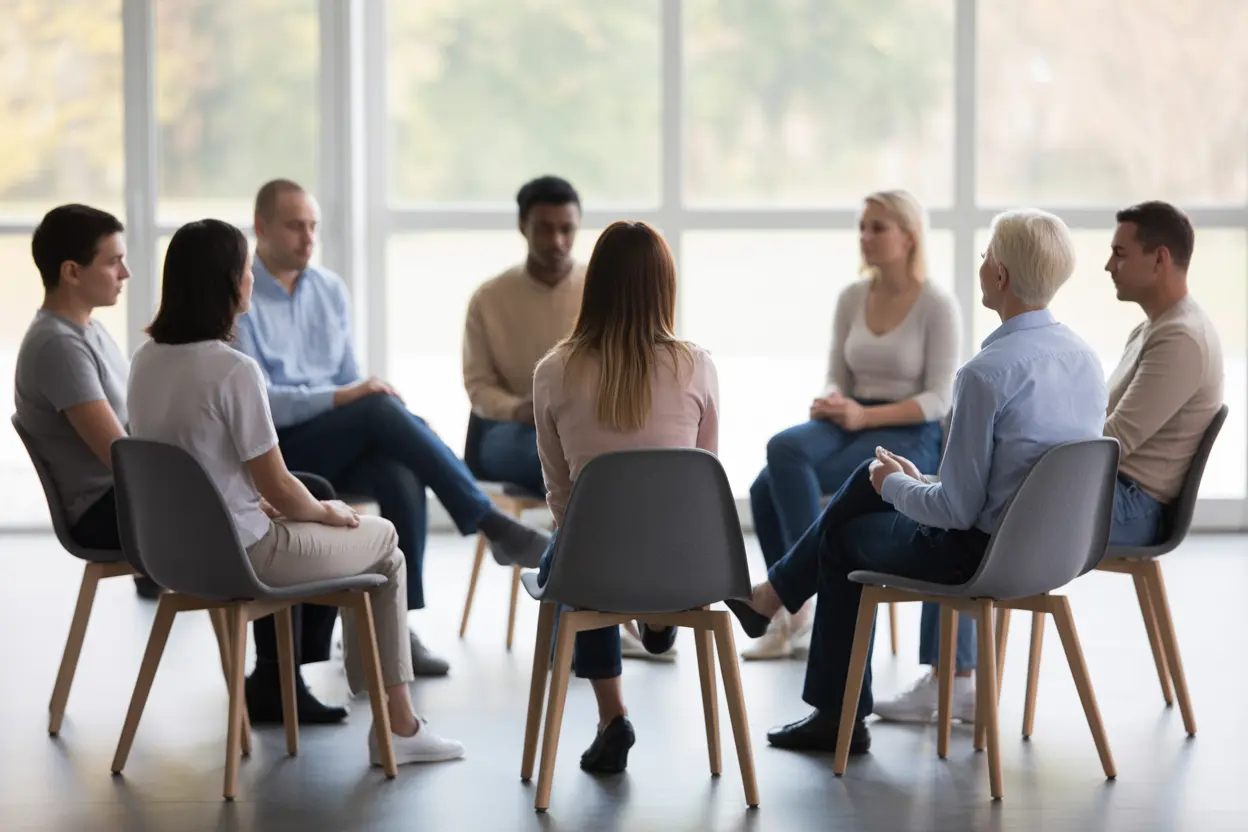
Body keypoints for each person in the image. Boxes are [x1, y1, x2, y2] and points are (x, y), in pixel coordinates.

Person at [725, 209, 1107, 754]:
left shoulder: (986, 373)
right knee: (868, 477)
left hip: (976, 554)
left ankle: (834, 711)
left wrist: (897, 488)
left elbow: (955, 512)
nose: (980, 265)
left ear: (999, 276)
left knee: (843, 536)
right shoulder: (1085, 359)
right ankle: (772, 598)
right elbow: (1013, 478)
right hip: (1057, 553)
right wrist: (909, 481)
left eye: (985, 256)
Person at [127, 218, 464, 765]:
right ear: (229, 283)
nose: (252, 280)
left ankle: (387, 721)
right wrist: (325, 513)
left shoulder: (144, 361)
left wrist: (269, 503)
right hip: (245, 556)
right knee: (386, 544)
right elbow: (280, 486)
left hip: (172, 555)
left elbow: (192, 465)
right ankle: (397, 728)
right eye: (245, 270)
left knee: (358, 536)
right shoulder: (233, 370)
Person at [875, 201, 1225, 725]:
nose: (1107, 265)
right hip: (1105, 488)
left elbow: (1109, 440)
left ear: (1160, 260)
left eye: (1120, 253)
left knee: (969, 511)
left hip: (1129, 501)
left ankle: (955, 678)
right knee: (970, 489)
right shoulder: (1152, 328)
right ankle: (955, 677)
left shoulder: (1180, 338)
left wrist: (1018, 459)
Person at [235, 179, 550, 678]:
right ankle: (489, 522)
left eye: (313, 226)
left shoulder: (329, 290)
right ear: (261, 227)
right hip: (280, 450)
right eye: (295, 226)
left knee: (399, 470)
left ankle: (395, 628)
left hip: (337, 434)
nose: (307, 237)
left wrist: (350, 398)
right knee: (379, 408)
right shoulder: (243, 291)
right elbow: (263, 402)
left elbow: (346, 378)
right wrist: (348, 399)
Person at [531, 221, 719, 774]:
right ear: (666, 286)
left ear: (596, 285)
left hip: (594, 561)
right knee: (590, 560)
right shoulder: (697, 365)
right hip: (683, 564)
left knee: (574, 564)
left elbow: (559, 490)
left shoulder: (553, 371)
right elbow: (703, 480)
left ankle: (613, 717)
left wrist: (583, 543)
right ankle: (654, 617)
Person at [745, 189, 963, 662]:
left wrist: (865, 416)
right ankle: (803, 597)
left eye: (877, 227)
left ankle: (793, 600)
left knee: (766, 488)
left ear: (908, 237)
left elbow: (939, 399)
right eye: (862, 227)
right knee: (783, 449)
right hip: (849, 417)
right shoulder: (851, 297)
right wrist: (834, 399)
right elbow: (837, 374)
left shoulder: (937, 305)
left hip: (910, 430)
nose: (865, 236)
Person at [15, 205, 158, 599]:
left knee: (297, 492)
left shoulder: (87, 329)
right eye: (113, 262)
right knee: (275, 505)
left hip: (125, 497)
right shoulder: (59, 346)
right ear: (72, 272)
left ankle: (285, 657)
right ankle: (277, 660)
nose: (125, 274)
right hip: (106, 510)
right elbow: (120, 455)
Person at [463, 175, 585, 498]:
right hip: (512, 428)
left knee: (591, 454)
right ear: (522, 225)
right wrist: (519, 410)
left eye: (566, 229)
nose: (557, 240)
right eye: (545, 228)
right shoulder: (489, 299)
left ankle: (567, 544)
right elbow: (479, 385)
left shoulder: (601, 289)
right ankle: (570, 544)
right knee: (557, 458)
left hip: (584, 425)